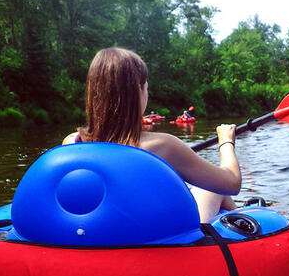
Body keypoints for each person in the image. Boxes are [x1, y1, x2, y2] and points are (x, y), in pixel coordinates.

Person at [62, 47, 240, 222]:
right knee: (214, 189)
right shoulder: (164, 146)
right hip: (153, 241)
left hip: (100, 237)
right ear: (138, 92)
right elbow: (232, 183)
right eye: (146, 88)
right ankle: (245, 231)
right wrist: (225, 141)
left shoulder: (71, 143)